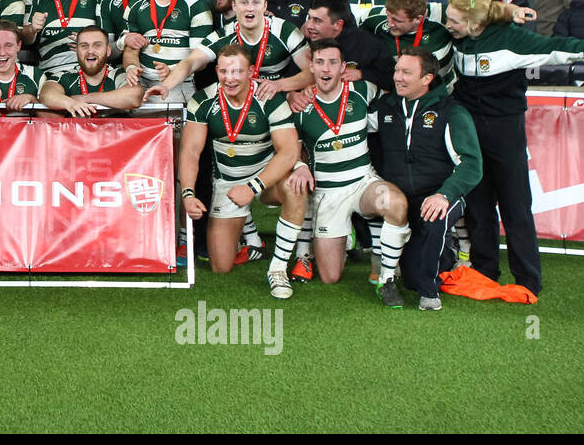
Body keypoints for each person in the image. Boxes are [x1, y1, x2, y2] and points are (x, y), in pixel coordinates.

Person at [446, 0, 584, 296]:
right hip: (470, 131)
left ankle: (528, 280)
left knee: (515, 206)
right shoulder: (457, 35)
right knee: (479, 205)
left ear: (474, 23)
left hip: (505, 130)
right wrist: (508, 9)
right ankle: (485, 270)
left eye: (454, 20)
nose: (448, 24)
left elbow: (559, 48)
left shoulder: (514, 39)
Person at [285, 39, 413, 307]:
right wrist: (289, 94)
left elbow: (393, 93)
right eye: (319, 62)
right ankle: (350, 232)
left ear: (343, 67)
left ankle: (386, 278)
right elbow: (290, 147)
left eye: (333, 62)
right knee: (330, 276)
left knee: (396, 202)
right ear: (311, 66)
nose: (326, 68)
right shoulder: (299, 105)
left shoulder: (362, 90)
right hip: (327, 193)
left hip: (362, 182)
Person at [177, 45, 308, 296]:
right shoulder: (203, 99)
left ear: (251, 71)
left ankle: (278, 269)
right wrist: (188, 194)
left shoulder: (269, 97)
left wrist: (253, 187)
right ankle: (248, 233)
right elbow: (191, 152)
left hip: (267, 176)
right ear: (217, 71)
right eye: (224, 71)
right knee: (221, 266)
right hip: (227, 182)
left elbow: (289, 152)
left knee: (295, 187)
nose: (230, 78)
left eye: (237, 71)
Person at [372, 48, 483, 310]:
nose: (397, 77)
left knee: (434, 222)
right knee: (410, 278)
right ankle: (441, 257)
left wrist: (445, 194)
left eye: (406, 72)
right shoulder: (385, 108)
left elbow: (472, 163)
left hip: (438, 194)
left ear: (427, 79)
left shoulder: (452, 112)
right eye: (397, 70)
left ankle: (430, 292)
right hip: (401, 198)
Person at [148, 0, 311, 101]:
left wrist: (279, 85)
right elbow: (191, 62)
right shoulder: (223, 35)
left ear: (265, 6)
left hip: (274, 98)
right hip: (235, 100)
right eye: (244, 2)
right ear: (234, 6)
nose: (250, 8)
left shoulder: (286, 31)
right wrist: (166, 86)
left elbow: (311, 73)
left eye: (256, 2)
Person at [124, 0, 213, 103]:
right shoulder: (135, 6)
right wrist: (131, 68)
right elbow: (130, 51)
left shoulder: (196, 6)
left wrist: (172, 70)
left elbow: (200, 60)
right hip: (141, 85)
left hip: (179, 86)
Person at [361, 0, 454, 89]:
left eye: (397, 21)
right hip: (394, 92)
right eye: (388, 15)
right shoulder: (375, 19)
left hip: (440, 93)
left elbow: (471, 8)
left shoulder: (444, 20)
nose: (390, 23)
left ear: (418, 19)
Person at [38, 26, 145, 115]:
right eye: (84, 46)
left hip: (114, 139)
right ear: (77, 51)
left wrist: (84, 99)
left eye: (97, 45)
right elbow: (47, 94)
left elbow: (134, 97)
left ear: (108, 51)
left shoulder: (118, 74)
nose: (90, 51)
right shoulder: (66, 76)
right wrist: (71, 103)